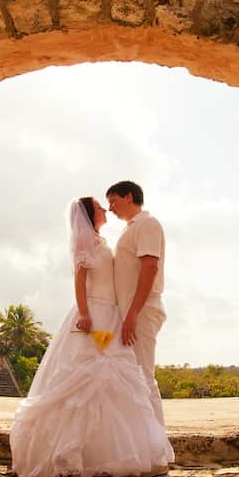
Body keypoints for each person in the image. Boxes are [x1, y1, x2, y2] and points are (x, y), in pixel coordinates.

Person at [9, 197, 174, 477]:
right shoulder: (85, 242)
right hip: (95, 315)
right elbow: (79, 279)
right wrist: (84, 313)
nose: (105, 209)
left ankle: (111, 448)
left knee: (116, 376)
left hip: (112, 314)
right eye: (100, 206)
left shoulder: (102, 240)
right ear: (89, 214)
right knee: (90, 374)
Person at [105, 180, 166, 426]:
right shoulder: (130, 228)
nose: (110, 208)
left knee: (143, 376)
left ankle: (159, 446)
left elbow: (150, 267)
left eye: (113, 201)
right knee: (132, 377)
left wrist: (132, 314)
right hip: (129, 312)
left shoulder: (148, 224)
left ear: (128, 197)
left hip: (140, 311)